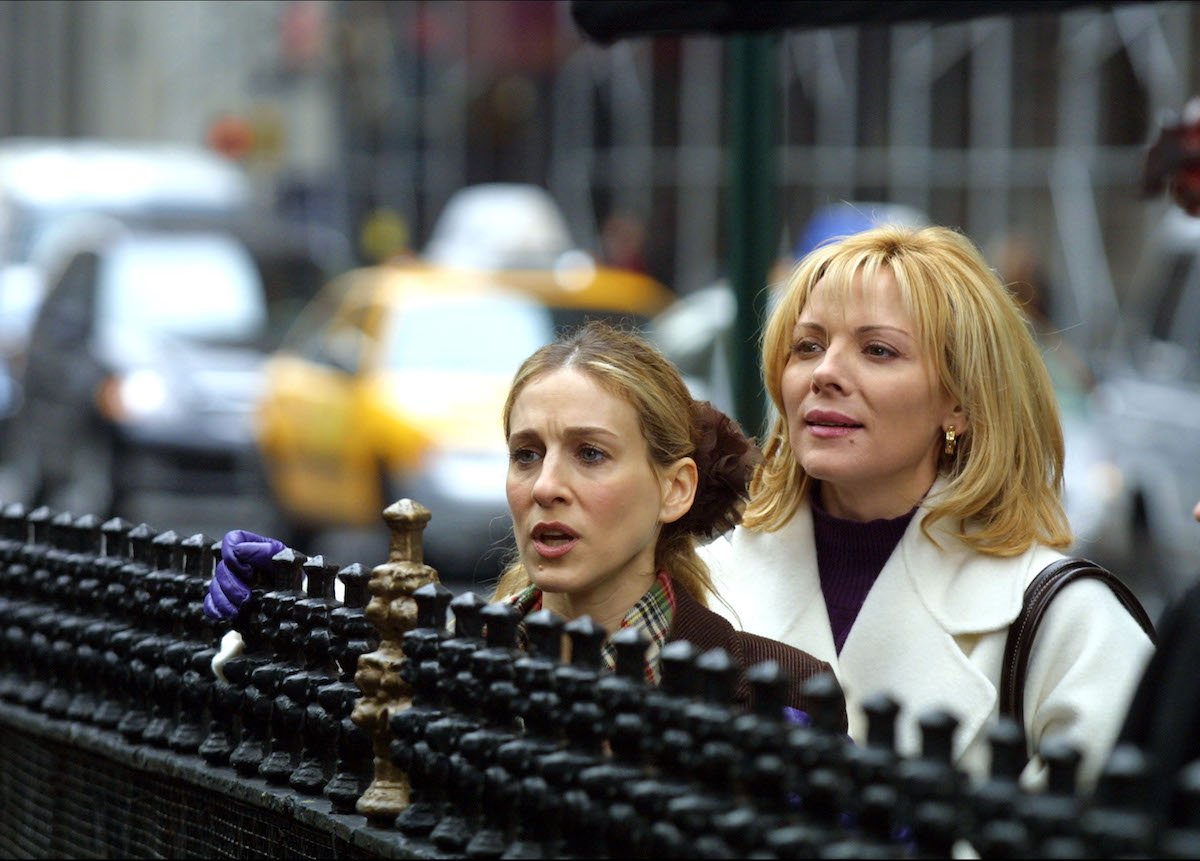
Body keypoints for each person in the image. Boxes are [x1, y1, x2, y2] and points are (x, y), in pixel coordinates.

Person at [697, 223, 1155, 787]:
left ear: (960, 402)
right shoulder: (703, 584)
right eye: (807, 346)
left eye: (878, 350)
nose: (826, 374)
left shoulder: (1070, 622)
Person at [206, 320, 842, 721]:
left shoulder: (779, 690)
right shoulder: (442, 660)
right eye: (526, 455)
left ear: (675, 489)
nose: (546, 487)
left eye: (590, 454)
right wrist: (273, 633)